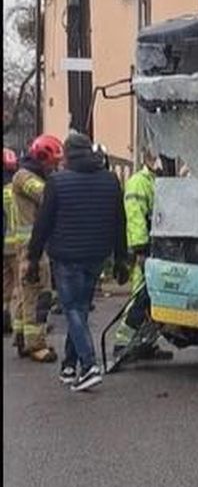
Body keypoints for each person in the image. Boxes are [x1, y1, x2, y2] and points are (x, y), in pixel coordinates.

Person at [27, 133, 129, 391]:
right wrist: (121, 259)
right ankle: (69, 366)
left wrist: (33, 258)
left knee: (72, 308)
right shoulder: (111, 180)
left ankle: (89, 365)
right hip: (97, 256)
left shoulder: (58, 182)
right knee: (80, 309)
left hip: (66, 257)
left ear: (69, 155)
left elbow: (43, 224)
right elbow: (120, 222)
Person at [113, 147, 172, 360]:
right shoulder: (139, 182)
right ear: (147, 158)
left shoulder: (161, 181)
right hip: (146, 248)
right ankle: (122, 343)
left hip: (160, 246)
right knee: (140, 296)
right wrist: (140, 248)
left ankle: (145, 343)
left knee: (153, 298)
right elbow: (135, 216)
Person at [12, 134, 63, 362]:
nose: (55, 166)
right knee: (38, 293)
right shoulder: (24, 177)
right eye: (53, 162)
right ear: (42, 156)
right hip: (32, 245)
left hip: (32, 243)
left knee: (25, 293)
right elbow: (46, 196)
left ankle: (22, 337)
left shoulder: (29, 175)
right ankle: (36, 345)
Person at [3, 148, 19, 334]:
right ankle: (17, 325)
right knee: (20, 288)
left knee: (5, 285)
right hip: (15, 245)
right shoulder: (15, 189)